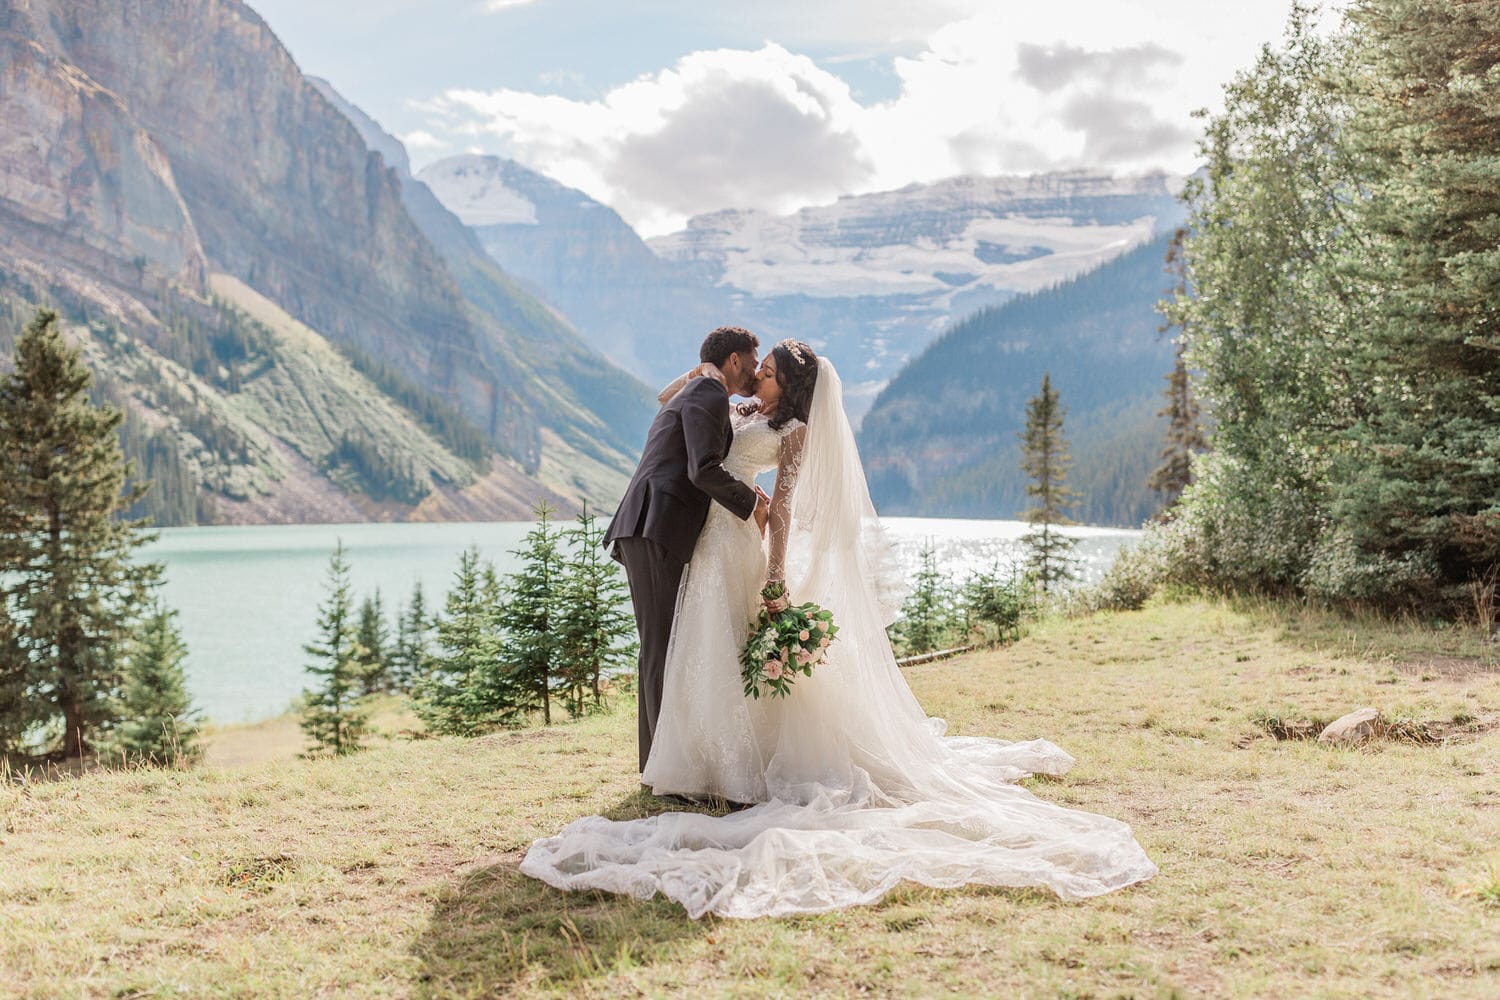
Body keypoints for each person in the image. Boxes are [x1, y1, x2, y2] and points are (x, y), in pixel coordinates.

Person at [526, 343, 1158, 918]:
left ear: (790, 385)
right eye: (758, 368)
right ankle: (686, 762)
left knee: (719, 652)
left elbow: (785, 510)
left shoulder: (796, 432)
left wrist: (776, 575)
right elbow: (675, 403)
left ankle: (725, 767)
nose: (759, 375)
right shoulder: (736, 403)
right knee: (695, 653)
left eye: (769, 371)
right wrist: (705, 372)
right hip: (706, 543)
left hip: (736, 547)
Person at [602, 326, 771, 773]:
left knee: (663, 644)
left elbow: (669, 404)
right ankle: (656, 768)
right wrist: (752, 504)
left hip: (654, 526)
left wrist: (724, 392)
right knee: (659, 646)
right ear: (735, 360)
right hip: (655, 525)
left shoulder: (705, 390)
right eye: (753, 361)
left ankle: (659, 761)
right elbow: (703, 469)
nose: (756, 370)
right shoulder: (708, 391)